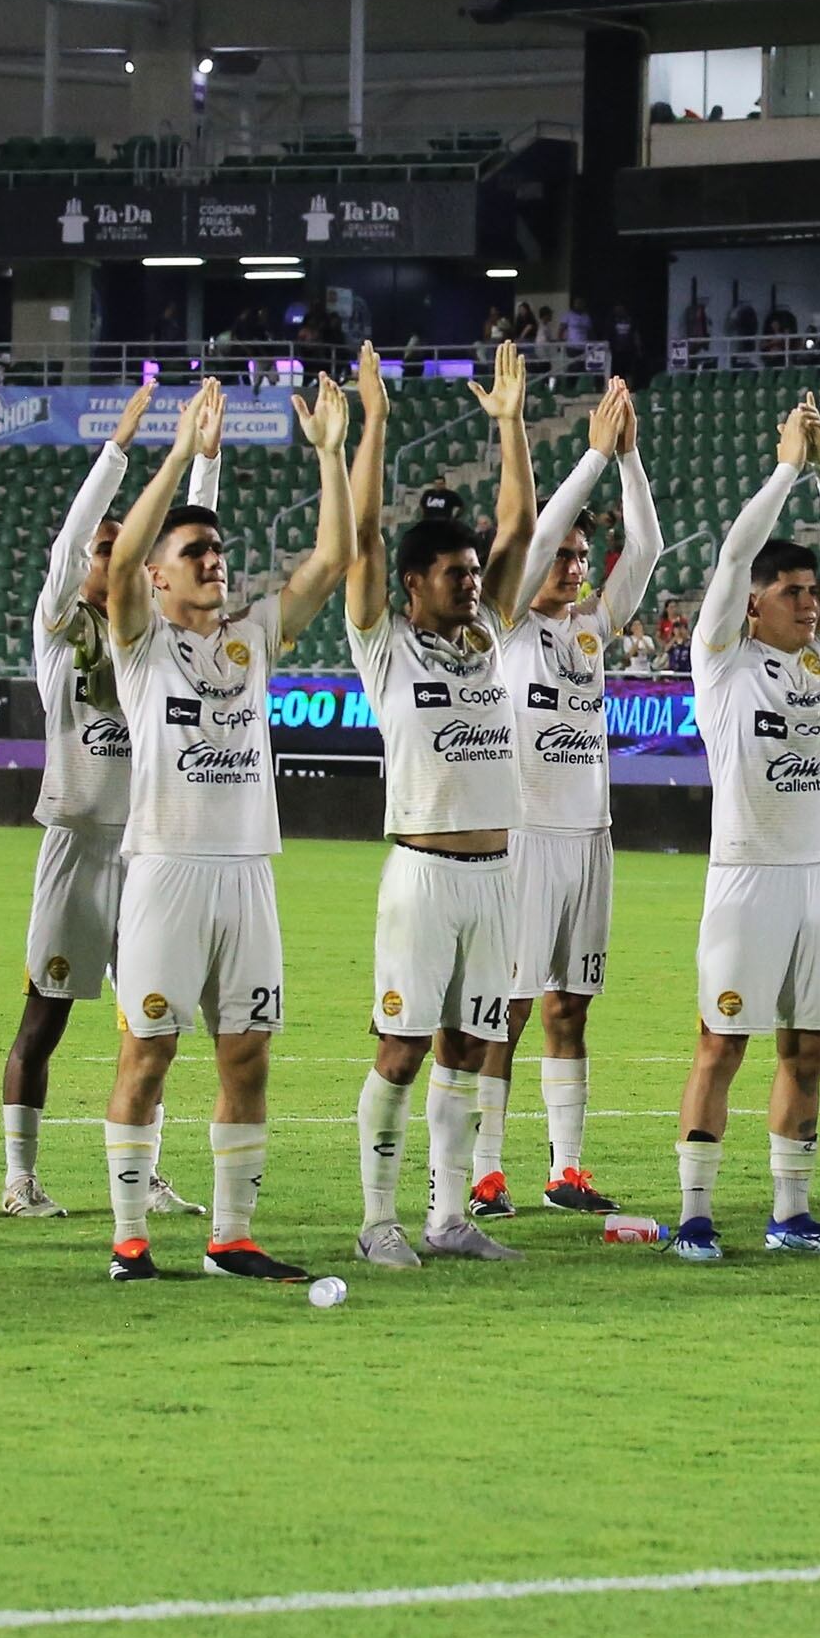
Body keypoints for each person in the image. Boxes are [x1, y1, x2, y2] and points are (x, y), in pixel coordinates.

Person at [93, 377, 354, 1280]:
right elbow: (121, 561)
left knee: (246, 1057)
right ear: (159, 576)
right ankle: (130, 1239)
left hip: (249, 869)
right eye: (196, 552)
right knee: (149, 1053)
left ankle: (231, 1238)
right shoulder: (139, 640)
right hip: (165, 870)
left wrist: (329, 450)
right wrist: (177, 455)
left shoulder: (250, 638)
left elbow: (331, 562)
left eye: (219, 550)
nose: (216, 561)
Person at [0, 379, 220, 1223]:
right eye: (102, 548)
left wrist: (207, 456)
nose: (109, 559)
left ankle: (146, 1173)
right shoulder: (60, 629)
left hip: (152, 852)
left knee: (152, 1023)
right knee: (45, 1016)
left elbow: (191, 545)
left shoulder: (154, 634)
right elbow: (65, 548)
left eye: (120, 550)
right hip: (78, 844)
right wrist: (120, 448)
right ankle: (20, 1176)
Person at [339, 338, 539, 1268]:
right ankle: (378, 1219)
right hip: (421, 873)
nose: (472, 581)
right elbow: (361, 535)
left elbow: (520, 528)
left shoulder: (490, 636)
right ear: (413, 586)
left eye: (473, 571)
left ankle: (448, 1217)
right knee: (403, 1049)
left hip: (498, 875)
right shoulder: (387, 646)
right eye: (453, 574)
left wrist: (510, 429)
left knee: (470, 1049)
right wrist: (374, 423)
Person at [675, 397, 820, 1259]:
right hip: (747, 875)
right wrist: (788, 467)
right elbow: (732, 554)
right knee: (722, 1045)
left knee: (810, 1048)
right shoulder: (720, 661)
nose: (808, 604)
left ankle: (791, 1215)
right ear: (752, 607)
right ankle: (694, 1217)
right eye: (790, 594)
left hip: (818, 874)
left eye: (808, 594)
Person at [481, 375, 663, 1218]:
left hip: (591, 835)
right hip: (525, 837)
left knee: (570, 1008)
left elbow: (651, 550)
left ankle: (567, 1170)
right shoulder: (506, 621)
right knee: (506, 1010)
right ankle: (484, 1172)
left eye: (584, 559)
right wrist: (591, 454)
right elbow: (543, 527)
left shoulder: (589, 627)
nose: (576, 566)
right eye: (565, 558)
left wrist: (628, 463)